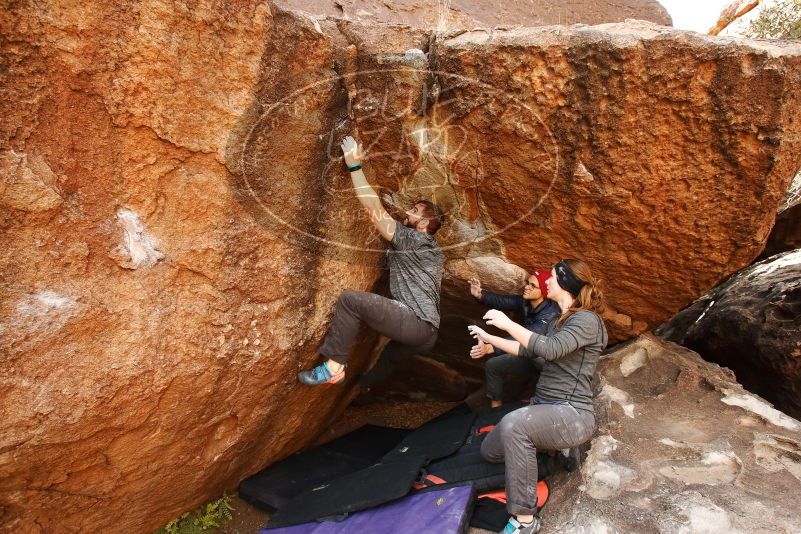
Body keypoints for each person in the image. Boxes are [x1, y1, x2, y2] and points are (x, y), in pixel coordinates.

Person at [468, 259, 607, 534]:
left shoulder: (587, 320)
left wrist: (507, 323)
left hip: (571, 413)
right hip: (544, 407)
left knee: (515, 425)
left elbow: (551, 349)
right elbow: (528, 350)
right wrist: (488, 338)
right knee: (490, 451)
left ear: (566, 284)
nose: (547, 282)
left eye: (553, 277)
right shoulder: (559, 320)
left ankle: (524, 520)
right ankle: (547, 448)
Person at [298, 135, 445, 388]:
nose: (407, 213)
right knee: (387, 359)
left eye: (415, 212)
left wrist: (354, 166)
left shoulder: (415, 240)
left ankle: (333, 368)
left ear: (423, 225)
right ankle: (364, 388)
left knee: (351, 301)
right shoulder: (432, 251)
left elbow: (373, 209)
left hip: (417, 323)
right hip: (427, 335)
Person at [468, 270, 560, 408]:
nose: (527, 287)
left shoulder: (551, 313)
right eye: (527, 283)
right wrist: (480, 295)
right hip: (529, 356)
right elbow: (502, 301)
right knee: (493, 365)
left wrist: (491, 346)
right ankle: (495, 407)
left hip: (547, 363)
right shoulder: (526, 303)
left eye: (533, 286)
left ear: (544, 292)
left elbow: (529, 336)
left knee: (535, 356)